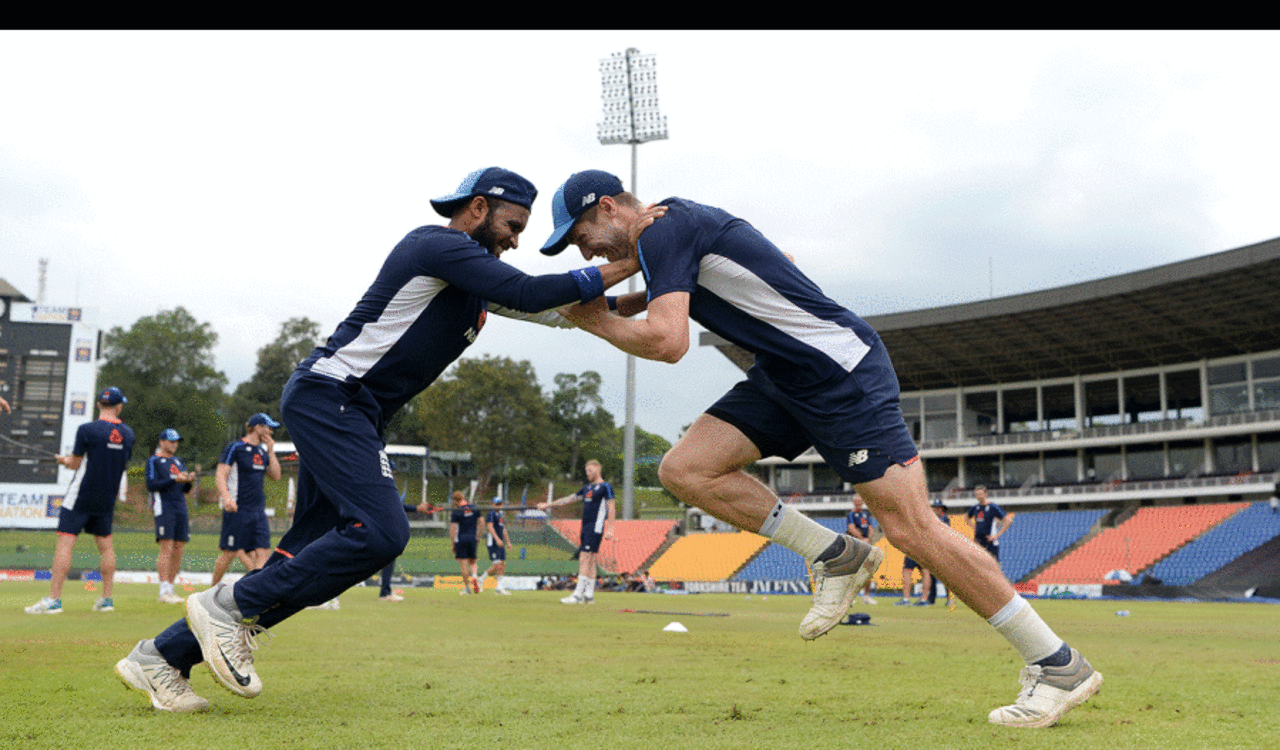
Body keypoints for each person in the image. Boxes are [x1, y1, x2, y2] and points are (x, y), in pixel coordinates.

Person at [543, 169, 1101, 729]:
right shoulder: (671, 230)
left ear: (611, 208)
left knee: (912, 530)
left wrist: (594, 320)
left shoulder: (663, 231)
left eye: (580, 233)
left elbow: (668, 342)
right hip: (786, 377)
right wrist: (628, 297)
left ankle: (1055, 663)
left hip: (839, 373)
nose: (581, 248)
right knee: (687, 470)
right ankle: (837, 554)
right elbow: (771, 256)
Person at [115, 166, 644, 712]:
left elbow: (564, 312)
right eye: (513, 224)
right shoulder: (437, 244)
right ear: (480, 207)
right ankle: (229, 607)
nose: (516, 239)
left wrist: (659, 288)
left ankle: (161, 656)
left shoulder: (474, 283)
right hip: (333, 396)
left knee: (306, 552)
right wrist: (631, 257)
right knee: (383, 533)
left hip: (351, 412)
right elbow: (531, 291)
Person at [26, 386, 134, 615]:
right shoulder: (128, 434)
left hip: (81, 495)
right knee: (106, 547)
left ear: (98, 405)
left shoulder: (87, 430)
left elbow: (75, 464)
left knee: (65, 543)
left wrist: (64, 460)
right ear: (119, 406)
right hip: (106, 499)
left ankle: (54, 601)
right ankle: (106, 599)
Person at [210, 413, 282, 586]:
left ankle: (255, 592)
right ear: (258, 428)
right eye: (268, 427)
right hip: (237, 509)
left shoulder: (262, 452)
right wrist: (226, 498)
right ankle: (210, 592)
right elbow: (220, 474)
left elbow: (276, 475)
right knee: (229, 553)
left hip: (258, 511)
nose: (271, 431)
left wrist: (271, 450)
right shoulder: (235, 448)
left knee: (263, 552)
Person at [537, 458, 615, 604]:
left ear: (598, 469)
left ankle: (577, 594)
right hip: (585, 526)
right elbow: (570, 498)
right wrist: (549, 504)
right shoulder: (587, 488)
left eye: (590, 471)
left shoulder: (606, 487)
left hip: (595, 527)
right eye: (586, 471)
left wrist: (611, 527)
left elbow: (611, 507)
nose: (588, 473)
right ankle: (589, 595)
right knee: (590, 560)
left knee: (584, 558)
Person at [146, 428, 197, 604]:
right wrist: (174, 479)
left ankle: (171, 587)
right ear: (162, 442)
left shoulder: (179, 461)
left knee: (179, 547)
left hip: (180, 507)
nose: (174, 444)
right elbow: (151, 485)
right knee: (166, 546)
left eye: (176, 441)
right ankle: (163, 589)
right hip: (164, 507)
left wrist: (189, 481)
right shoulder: (154, 461)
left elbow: (185, 490)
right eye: (171, 441)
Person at [965, 485, 1013, 561]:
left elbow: (1008, 520)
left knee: (993, 566)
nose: (979, 496)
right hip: (978, 542)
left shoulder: (993, 507)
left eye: (981, 494)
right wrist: (974, 528)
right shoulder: (975, 508)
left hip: (990, 542)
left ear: (986, 494)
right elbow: (967, 518)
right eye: (977, 494)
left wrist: (997, 535)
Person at [477, 495, 513, 595]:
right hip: (492, 542)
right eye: (496, 504)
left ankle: (499, 588)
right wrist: (497, 539)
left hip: (500, 542)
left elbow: (503, 529)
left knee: (502, 565)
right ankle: (481, 580)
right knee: (497, 565)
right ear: (493, 504)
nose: (498, 506)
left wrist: (508, 542)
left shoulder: (501, 516)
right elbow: (489, 527)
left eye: (500, 504)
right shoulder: (491, 514)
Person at [845, 495, 878, 605]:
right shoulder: (851, 514)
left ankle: (866, 596)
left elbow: (870, 527)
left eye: (860, 501)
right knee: (853, 570)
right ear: (854, 502)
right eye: (857, 501)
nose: (859, 503)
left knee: (868, 569)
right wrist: (861, 539)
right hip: (856, 544)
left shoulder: (865, 514)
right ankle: (849, 597)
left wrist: (868, 538)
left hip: (866, 544)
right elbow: (851, 528)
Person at [450, 491, 481, 595]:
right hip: (473, 538)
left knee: (464, 565)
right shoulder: (473, 507)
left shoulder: (456, 511)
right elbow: (481, 521)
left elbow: (453, 528)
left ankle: (467, 588)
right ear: (463, 497)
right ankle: (475, 577)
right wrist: (478, 536)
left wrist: (452, 543)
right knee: (473, 562)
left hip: (461, 539)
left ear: (455, 500)